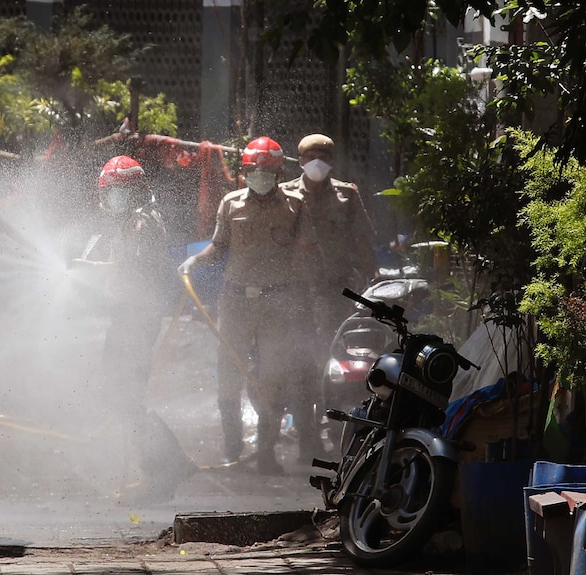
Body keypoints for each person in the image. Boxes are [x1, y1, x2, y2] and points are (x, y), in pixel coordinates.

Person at [178, 137, 307, 475]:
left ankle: (266, 455)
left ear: (278, 173)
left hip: (277, 302)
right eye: (253, 171)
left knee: (271, 379)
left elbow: (306, 254)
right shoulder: (231, 203)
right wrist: (194, 261)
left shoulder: (295, 205)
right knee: (229, 376)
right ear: (244, 172)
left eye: (266, 172)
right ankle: (233, 450)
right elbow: (218, 247)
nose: (259, 177)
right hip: (235, 302)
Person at [77, 155, 196, 502]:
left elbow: (134, 272)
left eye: (118, 192)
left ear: (134, 191)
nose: (112, 199)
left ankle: (166, 469)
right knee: (122, 396)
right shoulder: (136, 221)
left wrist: (92, 269)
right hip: (130, 316)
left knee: (125, 397)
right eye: (109, 192)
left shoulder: (142, 223)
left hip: (135, 319)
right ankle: (168, 465)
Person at [280, 133, 378, 462]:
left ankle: (337, 435)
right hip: (295, 296)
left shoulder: (347, 196)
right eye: (311, 157)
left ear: (332, 160)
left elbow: (363, 240)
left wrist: (372, 279)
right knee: (299, 367)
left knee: (334, 366)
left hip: (334, 294)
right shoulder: (285, 194)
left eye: (323, 156)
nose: (316, 162)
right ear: (301, 161)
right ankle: (307, 439)